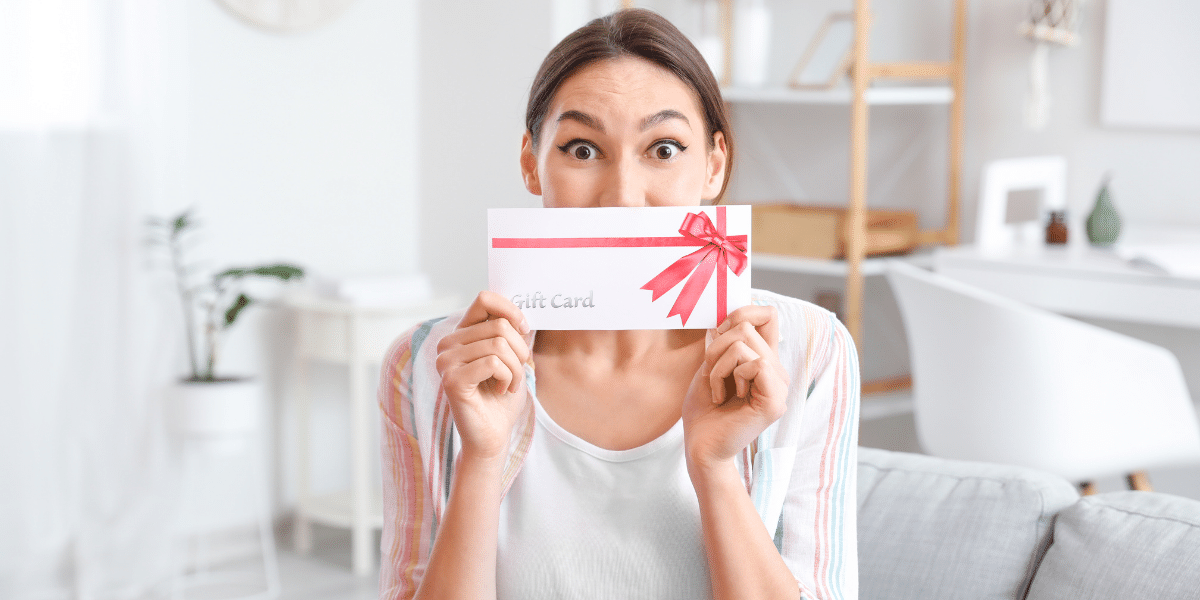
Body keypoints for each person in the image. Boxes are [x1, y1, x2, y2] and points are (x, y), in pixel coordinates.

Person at [378, 9, 858, 600]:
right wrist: (480, 458)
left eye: (663, 148)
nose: (622, 199)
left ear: (715, 164)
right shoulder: (427, 366)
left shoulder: (808, 351)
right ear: (531, 162)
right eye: (582, 149)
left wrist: (714, 468)